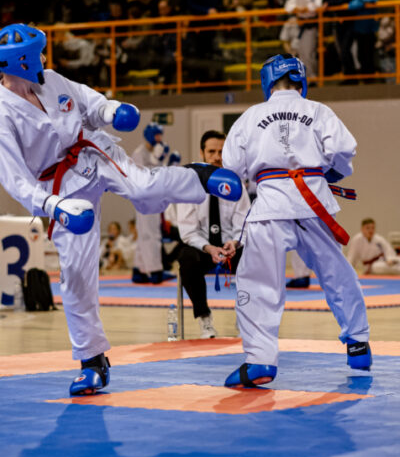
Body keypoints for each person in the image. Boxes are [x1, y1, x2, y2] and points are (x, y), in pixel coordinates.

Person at [0, 24, 243, 396]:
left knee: (144, 190)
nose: (44, 58)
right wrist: (54, 207)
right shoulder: (1, 115)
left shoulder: (51, 80)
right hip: (60, 191)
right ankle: (92, 361)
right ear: (21, 63)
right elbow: (13, 179)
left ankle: (199, 177)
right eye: (38, 53)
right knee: (76, 273)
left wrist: (111, 110)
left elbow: (88, 103)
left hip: (92, 153)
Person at [222, 53, 372, 389]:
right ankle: (358, 344)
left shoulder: (250, 116)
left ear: (267, 82)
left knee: (259, 283)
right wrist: (327, 172)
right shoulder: (318, 110)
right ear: (301, 80)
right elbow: (343, 152)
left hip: (270, 205)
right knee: (337, 274)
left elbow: (232, 167)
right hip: (314, 201)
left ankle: (260, 359)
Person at [177, 130, 250, 338]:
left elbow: (244, 224)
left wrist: (234, 243)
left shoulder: (235, 183)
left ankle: (245, 317)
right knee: (186, 257)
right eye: (211, 152)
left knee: (256, 255)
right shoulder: (188, 184)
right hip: (203, 249)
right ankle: (204, 318)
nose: (217, 157)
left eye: (221, 152)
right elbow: (187, 231)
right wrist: (209, 248)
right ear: (202, 153)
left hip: (231, 248)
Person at [131, 123, 181, 284]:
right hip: (145, 198)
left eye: (160, 135)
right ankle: (155, 271)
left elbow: (160, 175)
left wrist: (170, 164)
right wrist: (158, 160)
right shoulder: (139, 153)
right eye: (157, 135)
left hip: (153, 198)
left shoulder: (154, 153)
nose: (159, 139)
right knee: (152, 234)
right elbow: (144, 177)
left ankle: (139, 271)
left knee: (145, 235)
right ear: (150, 135)